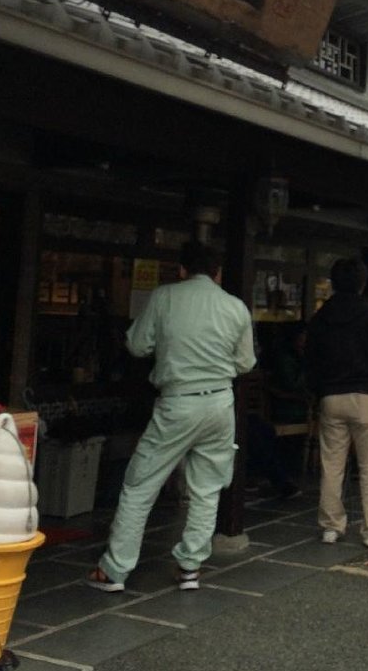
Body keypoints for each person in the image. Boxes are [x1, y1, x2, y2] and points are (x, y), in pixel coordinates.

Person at [86, 240, 256, 591]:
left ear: (181, 270)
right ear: (218, 273)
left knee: (140, 484)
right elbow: (245, 363)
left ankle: (115, 569)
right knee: (207, 487)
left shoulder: (164, 297)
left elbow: (137, 345)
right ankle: (190, 567)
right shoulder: (236, 307)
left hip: (178, 402)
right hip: (221, 403)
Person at [304, 256, 368, 549]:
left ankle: (331, 526)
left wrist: (318, 394)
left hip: (331, 397)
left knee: (332, 465)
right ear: (363, 282)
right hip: (366, 396)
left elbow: (311, 360)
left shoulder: (321, 317)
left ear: (333, 282)